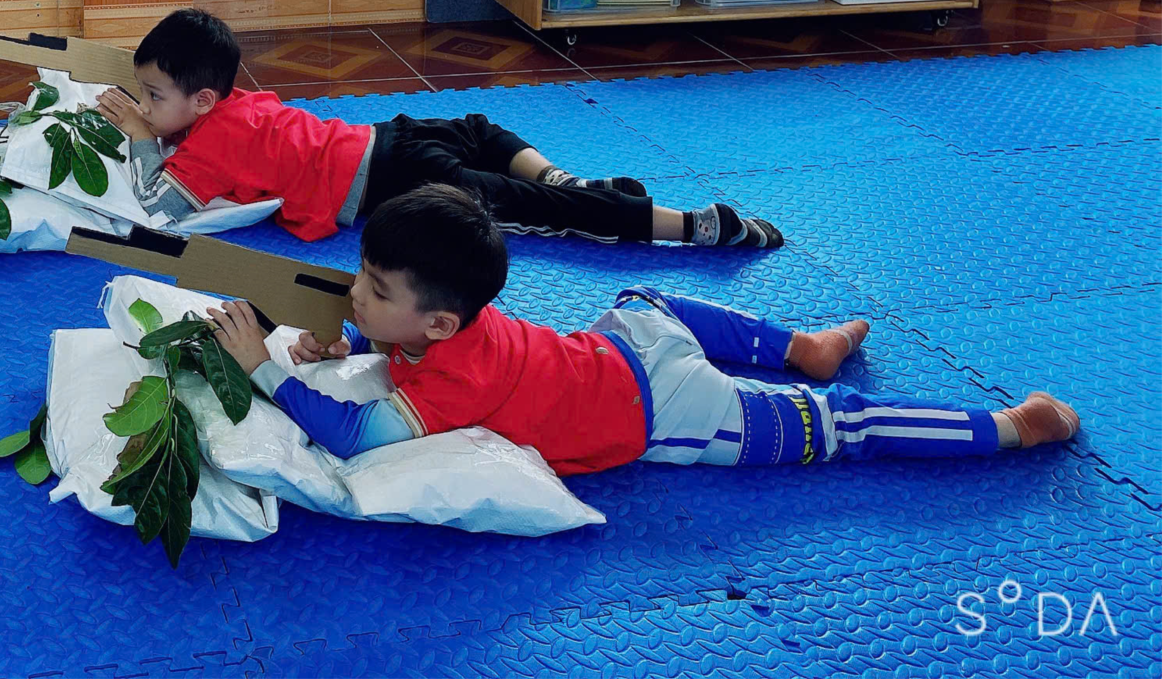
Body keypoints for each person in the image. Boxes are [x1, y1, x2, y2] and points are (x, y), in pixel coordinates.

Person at [202, 185, 1080, 471]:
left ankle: (1009, 426)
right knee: (653, 299)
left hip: (667, 410)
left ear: (439, 319)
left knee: (840, 431)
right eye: (361, 277)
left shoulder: (451, 377)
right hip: (623, 341)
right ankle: (798, 346)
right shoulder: (436, 325)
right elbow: (394, 341)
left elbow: (355, 438)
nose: (353, 294)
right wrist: (350, 342)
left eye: (372, 287)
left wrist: (265, 370)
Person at [96, 8, 781, 248]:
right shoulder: (233, 104)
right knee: (480, 128)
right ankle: (561, 176)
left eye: (154, 95)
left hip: (397, 184)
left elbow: (159, 210)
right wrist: (160, 118)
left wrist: (141, 137)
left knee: (541, 212)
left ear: (205, 98)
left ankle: (692, 226)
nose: (145, 104)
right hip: (387, 137)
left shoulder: (205, 145)